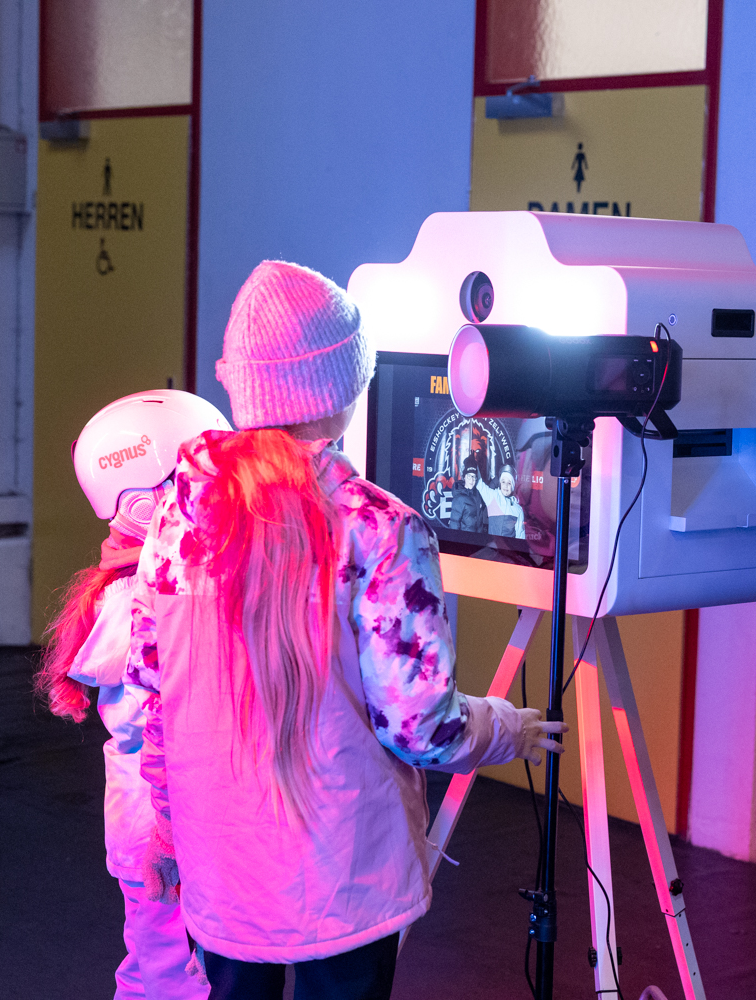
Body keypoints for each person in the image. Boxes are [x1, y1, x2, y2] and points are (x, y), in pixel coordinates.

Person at [127, 260, 565, 1000]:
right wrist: (505, 728)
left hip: (221, 871)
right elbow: (420, 726)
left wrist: (171, 829)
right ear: (340, 388)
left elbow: (152, 695)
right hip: (346, 882)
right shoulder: (380, 529)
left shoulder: (179, 516)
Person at [36, 388, 229, 1000]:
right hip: (159, 837)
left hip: (157, 830)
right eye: (200, 485)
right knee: (174, 978)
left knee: (149, 969)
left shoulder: (138, 587)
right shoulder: (132, 604)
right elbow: (165, 723)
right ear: (147, 506)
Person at [479, 466, 526, 539]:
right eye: (503, 482)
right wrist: (472, 464)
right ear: (500, 483)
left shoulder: (518, 510)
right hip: (493, 545)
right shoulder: (492, 497)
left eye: (509, 483)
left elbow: (520, 536)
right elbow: (479, 484)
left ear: (513, 486)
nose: (506, 486)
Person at [447, 463, 488, 533]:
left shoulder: (478, 494)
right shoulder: (459, 498)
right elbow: (454, 524)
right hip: (465, 537)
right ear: (464, 477)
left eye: (474, 477)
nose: (471, 480)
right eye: (469, 476)